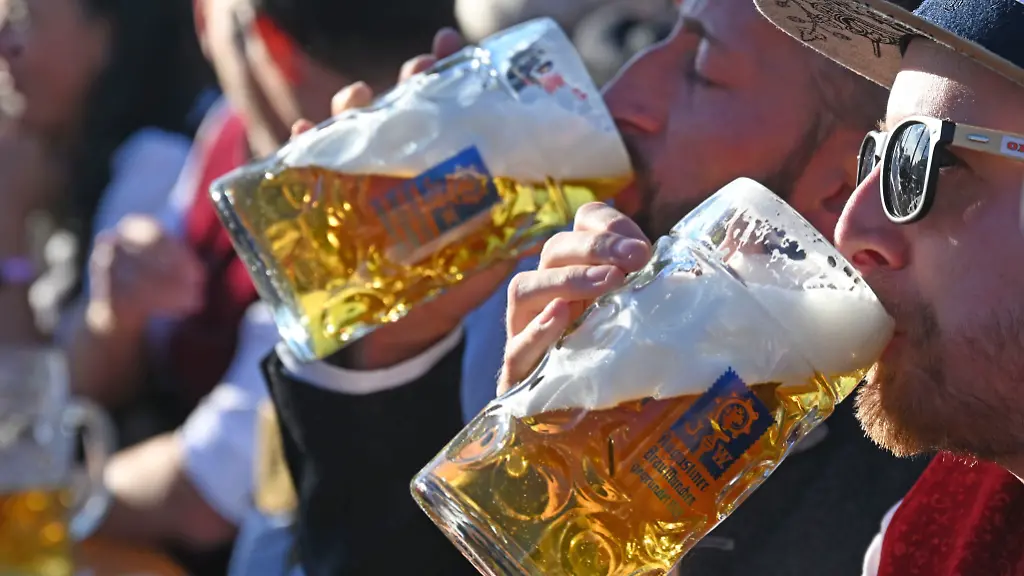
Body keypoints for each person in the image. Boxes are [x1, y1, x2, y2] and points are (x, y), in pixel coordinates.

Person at [256, 0, 932, 573]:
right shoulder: (560, 317)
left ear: (847, 188)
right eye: (664, 33)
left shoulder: (931, 478)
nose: (620, 99)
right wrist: (393, 348)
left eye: (702, 72)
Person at [502, 0, 1024, 572]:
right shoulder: (927, 535)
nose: (852, 228)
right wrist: (569, 515)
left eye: (928, 162)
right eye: (875, 158)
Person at [68, 0, 455, 573]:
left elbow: (199, 495)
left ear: (265, 38)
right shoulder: (230, 133)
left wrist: (36, 490)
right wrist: (117, 315)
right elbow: (110, 362)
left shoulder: (393, 202)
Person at [0, 0, 213, 340]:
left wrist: (6, 222)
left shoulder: (157, 165)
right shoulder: (52, 167)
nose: (4, 44)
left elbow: (53, 383)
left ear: (103, 39)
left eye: (23, 19)